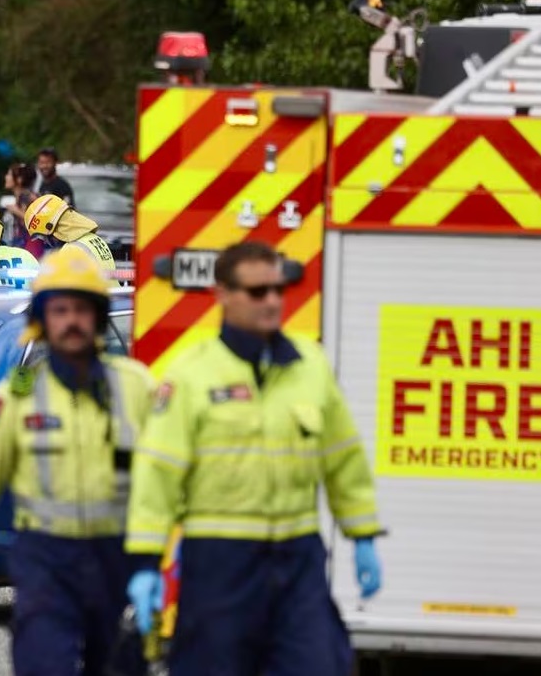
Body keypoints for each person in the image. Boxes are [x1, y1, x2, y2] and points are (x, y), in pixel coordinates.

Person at [125, 241, 383, 676]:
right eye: (258, 291)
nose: (273, 302)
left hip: (297, 563)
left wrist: (363, 534)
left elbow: (343, 456)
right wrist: (146, 563)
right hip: (220, 566)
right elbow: (158, 474)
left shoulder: (309, 365)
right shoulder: (191, 374)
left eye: (278, 290)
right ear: (222, 293)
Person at [0, 244, 157, 676]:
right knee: (43, 663)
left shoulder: (136, 387)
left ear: (96, 315)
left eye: (80, 309)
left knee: (119, 665)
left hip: (119, 556)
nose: (71, 321)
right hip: (45, 557)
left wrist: (161, 567)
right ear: (42, 319)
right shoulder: (18, 393)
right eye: (59, 310)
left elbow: (164, 479)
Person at [22, 193, 117, 273]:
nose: (46, 242)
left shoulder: (71, 249)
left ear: (52, 228)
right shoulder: (93, 238)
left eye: (43, 237)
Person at [0, 163, 38, 248]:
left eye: (9, 174)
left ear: (19, 179)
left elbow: (37, 222)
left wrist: (16, 211)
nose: (6, 177)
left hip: (30, 247)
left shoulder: (29, 198)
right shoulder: (22, 197)